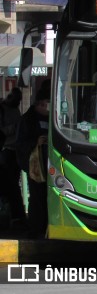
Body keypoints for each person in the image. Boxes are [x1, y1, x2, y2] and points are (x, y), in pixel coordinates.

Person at [16, 87, 50, 238]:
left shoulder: (52, 118)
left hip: (50, 163)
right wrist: (35, 142)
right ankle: (37, 227)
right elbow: (21, 143)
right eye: (47, 104)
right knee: (37, 197)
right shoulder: (27, 120)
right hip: (35, 165)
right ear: (40, 104)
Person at [0, 87, 25, 229]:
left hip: (15, 150)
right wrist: (15, 127)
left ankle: (15, 216)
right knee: (10, 185)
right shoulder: (2, 110)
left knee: (13, 185)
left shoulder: (15, 110)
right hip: (6, 150)